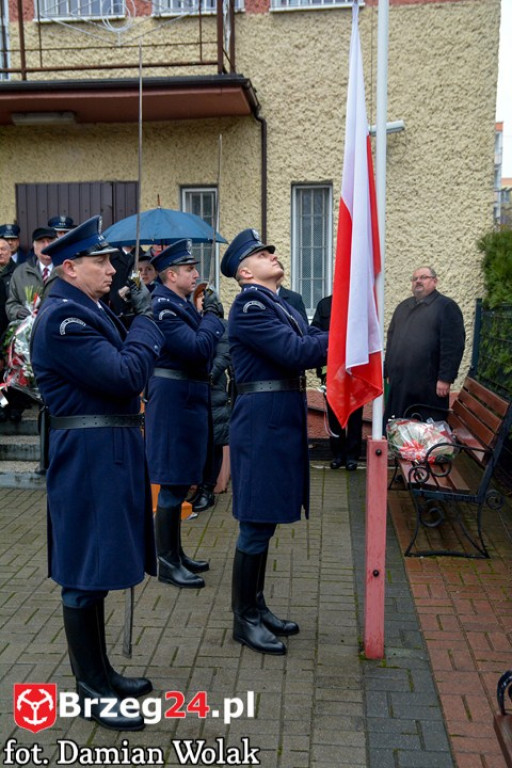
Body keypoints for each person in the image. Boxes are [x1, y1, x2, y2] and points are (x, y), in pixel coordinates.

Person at [30, 215, 163, 732]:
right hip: (87, 454)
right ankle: (90, 690)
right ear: (70, 267)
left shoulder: (87, 308)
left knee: (101, 566)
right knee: (84, 574)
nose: (112, 269)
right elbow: (126, 373)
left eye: (111, 259)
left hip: (107, 446)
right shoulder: (65, 319)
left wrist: (130, 316)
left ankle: (103, 672)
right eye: (100, 261)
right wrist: (148, 321)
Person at [221, 228, 328, 656]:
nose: (273, 254)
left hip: (276, 419)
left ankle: (256, 606)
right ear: (246, 271)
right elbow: (295, 350)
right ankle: (243, 619)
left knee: (262, 523)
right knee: (254, 523)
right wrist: (343, 340)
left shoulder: (276, 302)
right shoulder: (249, 303)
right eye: (263, 253)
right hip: (261, 422)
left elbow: (305, 340)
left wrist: (328, 337)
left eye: (271, 250)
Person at [144, 239, 224, 589]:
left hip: (186, 397)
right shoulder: (164, 307)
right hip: (174, 399)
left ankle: (176, 552)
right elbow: (196, 349)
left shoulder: (180, 304)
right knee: (172, 484)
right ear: (171, 274)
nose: (196, 274)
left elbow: (203, 352)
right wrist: (211, 318)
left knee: (180, 479)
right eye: (190, 269)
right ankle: (165, 560)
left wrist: (204, 318)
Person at [384, 266, 465, 424]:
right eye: (415, 279)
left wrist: (445, 378)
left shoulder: (446, 307)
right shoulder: (403, 307)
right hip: (401, 382)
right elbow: (391, 338)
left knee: (424, 433)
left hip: (428, 385)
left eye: (423, 277)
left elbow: (453, 346)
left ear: (434, 281)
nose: (418, 281)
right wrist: (388, 369)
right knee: (399, 427)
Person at [190, 282, 232, 514]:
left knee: (213, 441)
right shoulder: (190, 323)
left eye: (206, 298)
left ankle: (208, 489)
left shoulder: (222, 325)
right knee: (198, 441)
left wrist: (208, 375)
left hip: (213, 389)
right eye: (199, 298)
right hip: (193, 390)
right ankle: (197, 486)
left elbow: (224, 353)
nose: (202, 302)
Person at [311, 294, 363, 471]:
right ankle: (338, 454)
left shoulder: (359, 303)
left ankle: (352, 456)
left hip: (354, 369)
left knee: (355, 415)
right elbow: (315, 331)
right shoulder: (325, 304)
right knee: (334, 415)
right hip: (331, 369)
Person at [5, 226, 58, 322]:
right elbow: (11, 304)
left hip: (58, 329)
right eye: (41, 242)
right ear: (34, 247)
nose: (46, 246)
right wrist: (18, 312)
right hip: (29, 332)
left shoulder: (67, 270)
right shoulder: (20, 273)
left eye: (50, 241)